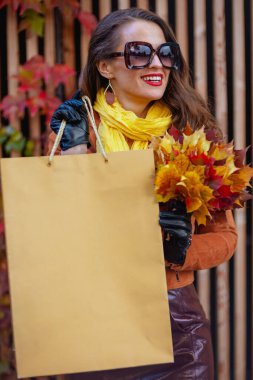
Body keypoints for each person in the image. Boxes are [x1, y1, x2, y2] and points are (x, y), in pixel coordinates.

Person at [48, 8, 237, 380]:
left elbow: (225, 238)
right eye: (139, 52)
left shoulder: (192, 135)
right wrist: (72, 156)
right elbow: (59, 232)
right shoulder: (78, 130)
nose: (157, 63)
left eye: (165, 52)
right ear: (105, 66)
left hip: (176, 328)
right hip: (91, 320)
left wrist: (180, 252)